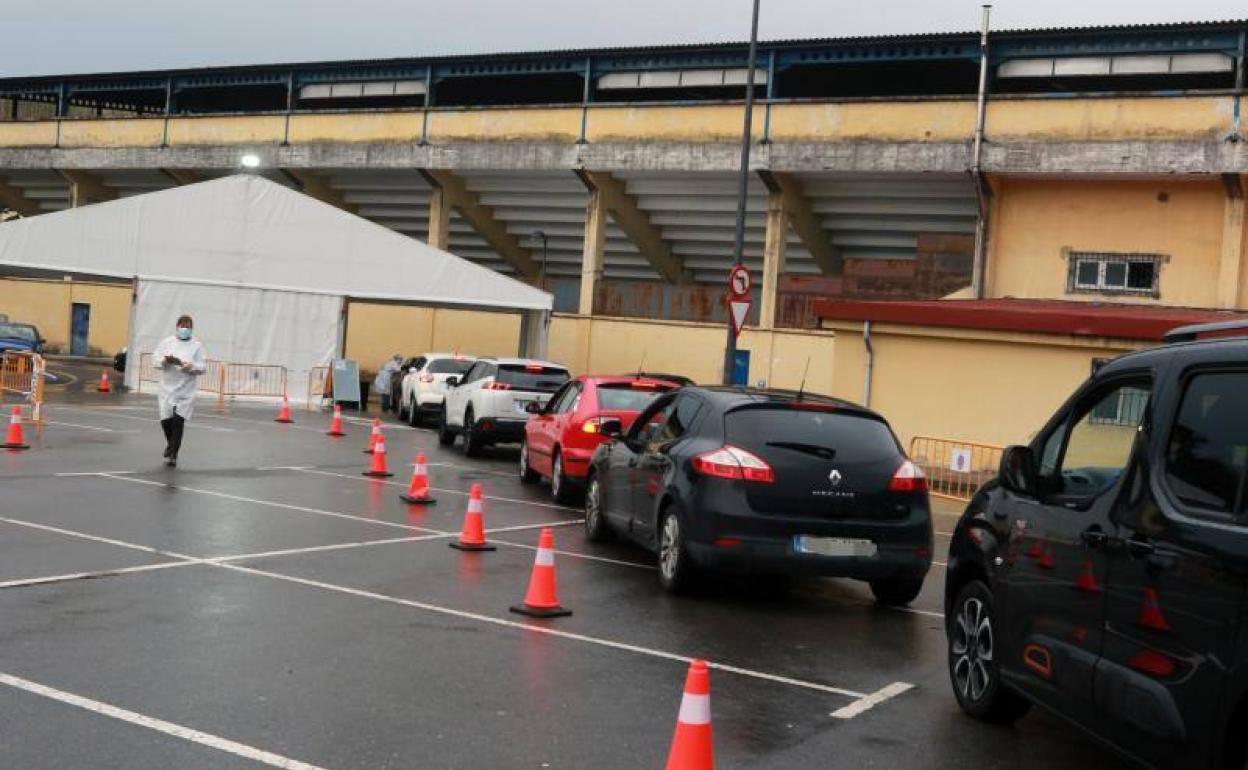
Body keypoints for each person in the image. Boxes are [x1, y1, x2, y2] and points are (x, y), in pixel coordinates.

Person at [152, 315, 206, 467]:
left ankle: (174, 454)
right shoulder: (167, 343)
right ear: (177, 326)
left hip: (186, 390)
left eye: (188, 326)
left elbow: (202, 367)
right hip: (167, 388)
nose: (185, 329)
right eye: (183, 326)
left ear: (192, 328)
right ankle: (171, 445)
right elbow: (155, 360)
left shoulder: (197, 346)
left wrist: (192, 366)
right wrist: (164, 361)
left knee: (178, 422)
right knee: (165, 421)